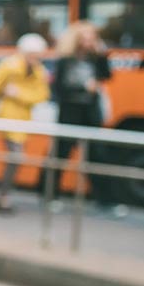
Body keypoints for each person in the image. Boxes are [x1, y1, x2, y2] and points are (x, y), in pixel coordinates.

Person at [50, 21, 123, 215]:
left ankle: (106, 201)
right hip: (69, 113)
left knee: (97, 156)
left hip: (90, 114)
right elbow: (57, 88)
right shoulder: (66, 59)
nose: (88, 41)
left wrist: (101, 53)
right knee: (60, 155)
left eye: (92, 37)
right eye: (85, 37)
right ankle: (49, 195)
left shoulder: (94, 58)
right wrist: (83, 87)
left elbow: (107, 75)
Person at [0, 33, 51, 214]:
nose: (36, 58)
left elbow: (42, 95)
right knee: (16, 156)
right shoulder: (8, 66)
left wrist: (19, 94)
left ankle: (3, 194)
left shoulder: (39, 71)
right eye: (33, 54)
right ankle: (3, 196)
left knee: (15, 158)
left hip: (24, 120)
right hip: (6, 118)